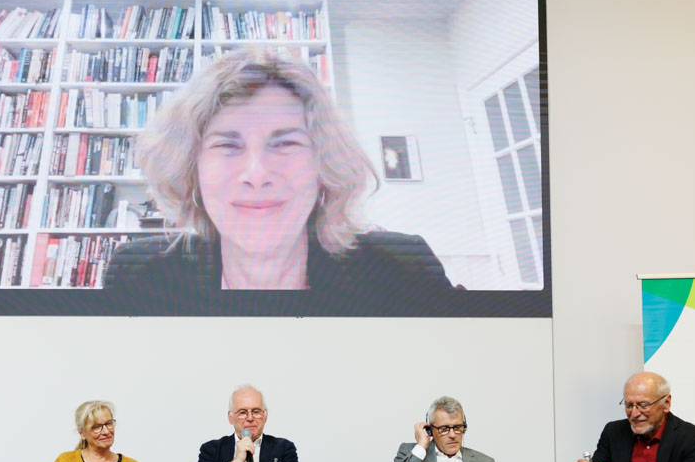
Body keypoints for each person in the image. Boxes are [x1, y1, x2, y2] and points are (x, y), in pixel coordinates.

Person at [104, 48, 453, 315]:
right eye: (227, 145)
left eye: (285, 143)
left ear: (324, 164)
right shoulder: (139, 276)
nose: (257, 175)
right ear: (191, 168)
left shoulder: (404, 268)